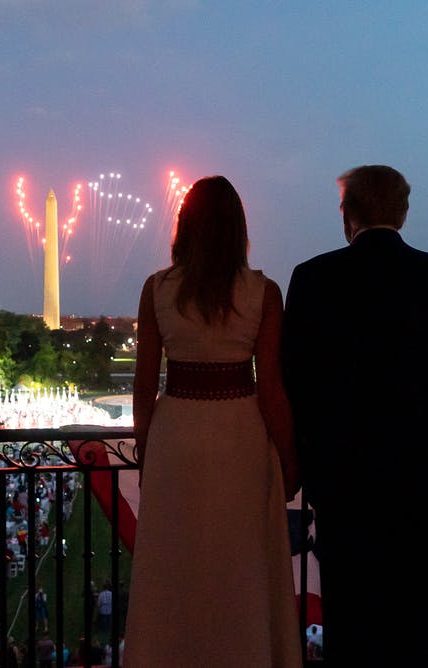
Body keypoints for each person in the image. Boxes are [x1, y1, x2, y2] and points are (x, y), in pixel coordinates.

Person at [283, 164, 428, 667]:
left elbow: (296, 384)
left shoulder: (313, 279)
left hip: (345, 484)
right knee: (418, 622)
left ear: (347, 215)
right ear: (403, 212)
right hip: (424, 482)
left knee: (351, 623)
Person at [123, 175, 301, 666]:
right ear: (238, 228)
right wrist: (290, 460)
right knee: (240, 564)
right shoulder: (263, 293)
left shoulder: (157, 289)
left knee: (173, 566)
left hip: (176, 435)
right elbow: (271, 389)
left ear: (185, 226)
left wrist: (147, 450)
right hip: (239, 435)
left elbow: (143, 388)